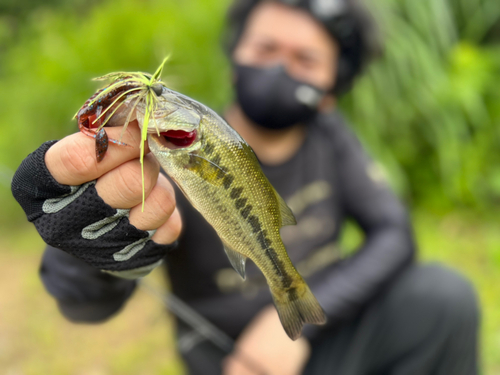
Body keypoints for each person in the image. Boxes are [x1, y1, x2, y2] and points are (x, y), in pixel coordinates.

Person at [12, 0, 480, 374]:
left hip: (324, 339)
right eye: (265, 49)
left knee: (445, 296)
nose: (279, 68)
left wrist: (292, 333)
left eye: (305, 59)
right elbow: (83, 305)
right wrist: (85, 249)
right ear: (235, 57)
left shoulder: (331, 137)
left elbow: (395, 233)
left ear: (332, 87)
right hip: (236, 364)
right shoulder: (165, 155)